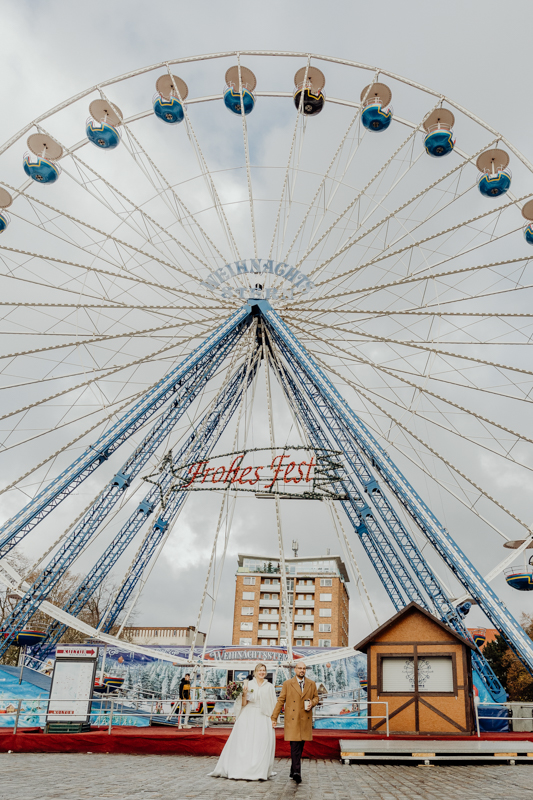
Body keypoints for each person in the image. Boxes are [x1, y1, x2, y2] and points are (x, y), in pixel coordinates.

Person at [209, 663, 277, 781]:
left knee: (261, 743)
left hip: (263, 716)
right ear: (255, 672)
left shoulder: (270, 686)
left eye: (263, 670)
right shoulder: (248, 684)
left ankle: (260, 769)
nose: (262, 672)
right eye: (259, 670)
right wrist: (244, 693)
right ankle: (242, 768)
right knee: (246, 742)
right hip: (249, 715)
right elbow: (244, 703)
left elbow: (274, 703)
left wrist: (274, 718)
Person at [271, 662, 319, 784]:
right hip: (292, 720)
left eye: (304, 668)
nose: (302, 670)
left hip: (305, 719)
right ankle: (297, 772)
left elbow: (316, 698)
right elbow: (281, 700)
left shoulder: (311, 684)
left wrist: (311, 703)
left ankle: (293, 771)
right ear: (295, 670)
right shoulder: (287, 684)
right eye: (299, 668)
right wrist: (274, 717)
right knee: (295, 745)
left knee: (299, 746)